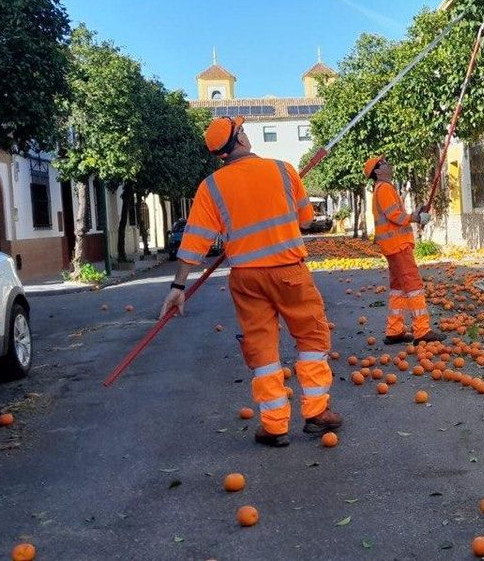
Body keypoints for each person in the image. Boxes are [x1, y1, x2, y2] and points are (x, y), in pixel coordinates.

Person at [160, 115, 341, 447]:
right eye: (242, 129)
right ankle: (317, 412)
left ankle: (274, 426)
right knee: (312, 337)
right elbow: (305, 220)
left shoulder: (211, 186)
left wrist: (178, 286)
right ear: (240, 139)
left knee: (262, 347)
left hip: (246, 278)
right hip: (289, 271)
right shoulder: (283, 170)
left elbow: (195, 240)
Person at [364, 155, 440, 344]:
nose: (388, 164)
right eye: (383, 163)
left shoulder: (382, 188)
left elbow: (394, 215)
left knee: (398, 288)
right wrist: (416, 218)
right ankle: (422, 330)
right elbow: (394, 215)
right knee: (413, 286)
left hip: (392, 246)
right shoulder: (385, 188)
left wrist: (415, 214)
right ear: (378, 171)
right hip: (398, 246)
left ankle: (394, 330)